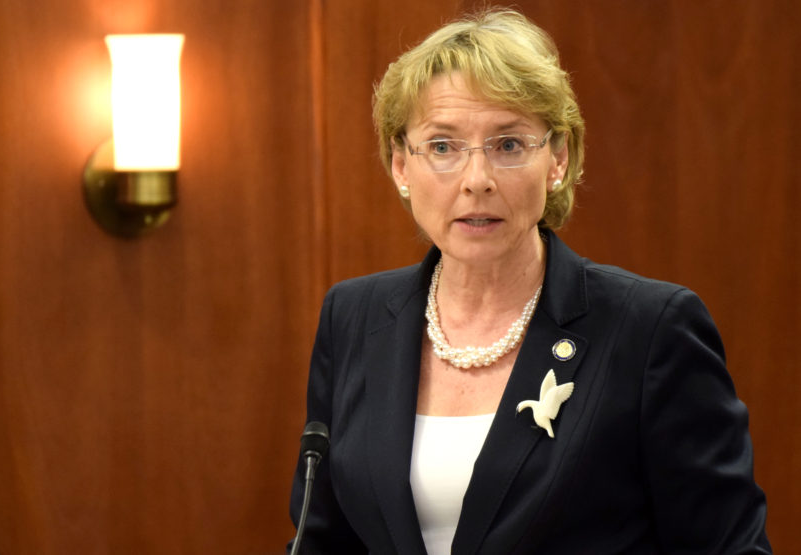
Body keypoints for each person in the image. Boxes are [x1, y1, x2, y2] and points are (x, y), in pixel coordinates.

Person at [289, 8, 770, 554]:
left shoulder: (650, 329)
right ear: (402, 165)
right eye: (443, 147)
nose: (477, 181)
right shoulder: (353, 316)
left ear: (558, 159)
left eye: (509, 145)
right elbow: (320, 539)